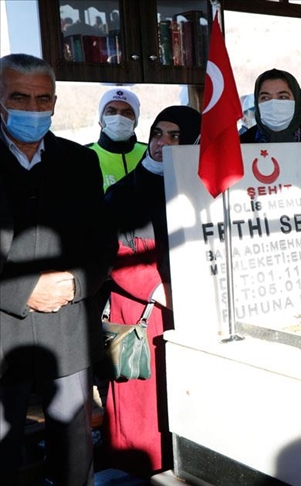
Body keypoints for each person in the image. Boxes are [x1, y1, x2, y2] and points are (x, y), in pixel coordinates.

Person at [0, 53, 116, 485]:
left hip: (66, 331)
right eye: (19, 97)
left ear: (54, 103)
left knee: (73, 458)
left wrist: (75, 283)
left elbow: (103, 243)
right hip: (2, 337)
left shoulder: (80, 162)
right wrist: (22, 291)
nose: (32, 109)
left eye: (42, 99)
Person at [102, 105, 201, 478]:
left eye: (175, 136)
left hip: (193, 310)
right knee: (146, 412)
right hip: (145, 315)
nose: (162, 143)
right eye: (158, 133)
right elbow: (116, 256)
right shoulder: (124, 193)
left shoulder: (199, 186)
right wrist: (163, 291)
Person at [239, 69, 301, 144]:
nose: (274, 104)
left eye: (283, 97)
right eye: (265, 97)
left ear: (297, 102)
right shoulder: (240, 147)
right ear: (257, 103)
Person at [88, 88, 147, 192]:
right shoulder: (84, 156)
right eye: (111, 111)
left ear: (135, 121)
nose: (118, 118)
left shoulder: (149, 153)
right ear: (101, 121)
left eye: (127, 113)